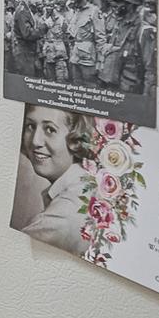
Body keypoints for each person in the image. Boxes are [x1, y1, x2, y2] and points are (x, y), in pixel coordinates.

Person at [18, 104, 98, 254]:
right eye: (30, 126)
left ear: (77, 140)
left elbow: (12, 260)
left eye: (50, 130)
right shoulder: (83, 183)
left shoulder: (63, 216)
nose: (35, 141)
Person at [66, 0, 102, 87]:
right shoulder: (76, 12)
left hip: (88, 58)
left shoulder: (94, 11)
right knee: (76, 86)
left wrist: (100, 61)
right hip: (75, 56)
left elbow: (100, 38)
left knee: (90, 87)